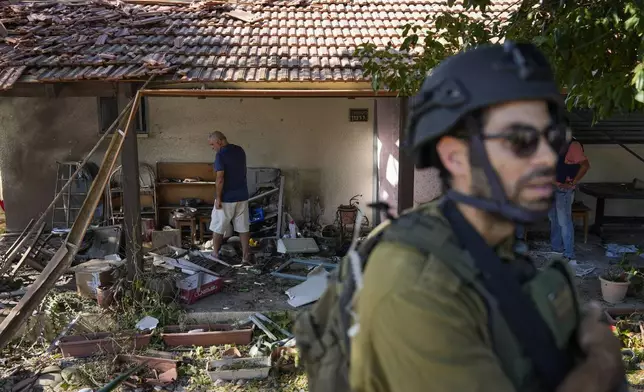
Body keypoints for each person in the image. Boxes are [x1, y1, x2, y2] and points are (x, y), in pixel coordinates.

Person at [347, 43, 623, 392]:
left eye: (550, 137)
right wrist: (603, 360)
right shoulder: (414, 279)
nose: (546, 158)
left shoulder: (490, 243)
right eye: (521, 140)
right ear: (455, 157)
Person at [208, 131, 251, 263]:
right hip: (242, 195)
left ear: (220, 141)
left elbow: (220, 179)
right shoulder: (240, 150)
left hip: (227, 197)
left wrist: (219, 198)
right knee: (243, 227)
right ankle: (246, 257)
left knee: (218, 227)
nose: (212, 147)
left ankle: (215, 254)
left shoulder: (220, 155)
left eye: (212, 144)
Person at [550, 137, 590, 264]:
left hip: (564, 190)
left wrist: (573, 182)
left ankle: (569, 254)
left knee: (564, 221)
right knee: (553, 219)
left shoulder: (573, 145)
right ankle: (556, 249)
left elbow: (585, 165)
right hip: (552, 188)